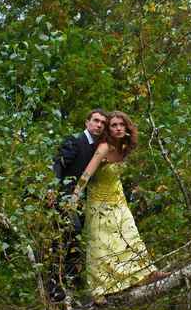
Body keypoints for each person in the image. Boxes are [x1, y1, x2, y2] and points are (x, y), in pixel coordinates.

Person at [70, 111, 167, 299]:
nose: (118, 128)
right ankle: (99, 290)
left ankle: (147, 272)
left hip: (117, 196)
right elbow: (87, 174)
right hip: (98, 200)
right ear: (108, 128)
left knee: (130, 234)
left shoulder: (124, 146)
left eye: (121, 125)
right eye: (113, 125)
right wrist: (73, 199)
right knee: (100, 244)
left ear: (127, 127)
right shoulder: (104, 147)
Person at [48, 109, 108, 299]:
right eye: (96, 121)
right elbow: (59, 163)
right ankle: (55, 288)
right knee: (70, 233)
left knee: (76, 243)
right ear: (87, 122)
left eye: (102, 123)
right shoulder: (74, 140)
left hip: (84, 203)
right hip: (65, 197)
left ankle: (68, 286)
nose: (99, 125)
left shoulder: (99, 147)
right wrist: (52, 187)